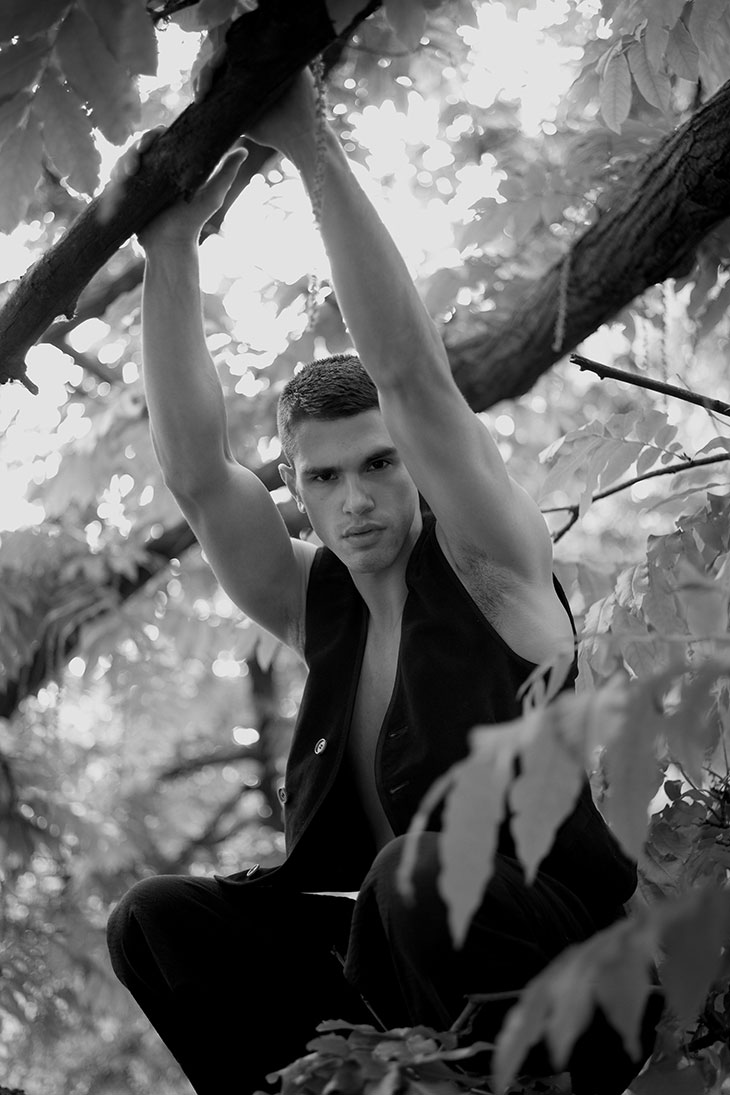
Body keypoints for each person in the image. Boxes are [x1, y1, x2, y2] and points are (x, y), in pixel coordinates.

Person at [106, 71, 658, 1094]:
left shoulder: (490, 563)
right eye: (323, 478)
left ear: (414, 461)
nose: (355, 498)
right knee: (155, 919)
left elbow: (411, 375)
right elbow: (195, 474)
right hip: (383, 997)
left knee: (411, 872)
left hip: (559, 982)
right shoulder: (311, 604)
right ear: (296, 489)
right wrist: (170, 245)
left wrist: (308, 142)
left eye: (379, 464)